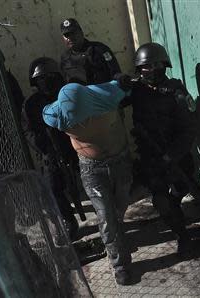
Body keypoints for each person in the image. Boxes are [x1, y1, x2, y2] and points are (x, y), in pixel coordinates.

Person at [42, 80, 133, 285]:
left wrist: (120, 81)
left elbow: (119, 84)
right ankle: (120, 264)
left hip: (121, 163)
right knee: (106, 215)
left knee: (119, 209)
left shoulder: (108, 96)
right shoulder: (57, 115)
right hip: (92, 169)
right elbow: (45, 112)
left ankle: (117, 240)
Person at [117, 42, 197, 255]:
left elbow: (189, 130)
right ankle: (182, 235)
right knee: (162, 202)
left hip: (175, 157)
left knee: (180, 191)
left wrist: (171, 155)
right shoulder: (136, 90)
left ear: (164, 65)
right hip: (150, 158)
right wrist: (117, 82)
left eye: (155, 66)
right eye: (146, 67)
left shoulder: (175, 91)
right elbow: (113, 101)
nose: (150, 71)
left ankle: (180, 212)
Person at [22, 57, 79, 239]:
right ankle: (68, 220)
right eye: (41, 79)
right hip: (50, 154)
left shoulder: (66, 95)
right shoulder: (31, 104)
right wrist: (44, 148)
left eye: (50, 77)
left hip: (74, 147)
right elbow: (28, 131)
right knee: (53, 189)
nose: (46, 82)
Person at [59, 18, 121, 85]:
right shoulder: (65, 58)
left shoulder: (100, 49)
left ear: (81, 32)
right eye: (66, 35)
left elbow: (115, 73)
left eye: (73, 33)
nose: (70, 37)